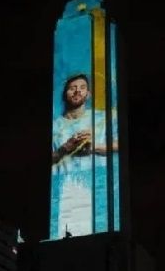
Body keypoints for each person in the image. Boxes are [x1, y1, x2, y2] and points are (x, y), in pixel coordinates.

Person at [50, 74, 118, 239]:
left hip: (99, 189)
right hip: (65, 192)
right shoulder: (55, 126)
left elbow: (118, 144)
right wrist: (66, 147)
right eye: (72, 88)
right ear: (65, 93)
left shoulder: (103, 118)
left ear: (88, 94)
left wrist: (93, 147)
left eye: (82, 88)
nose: (77, 91)